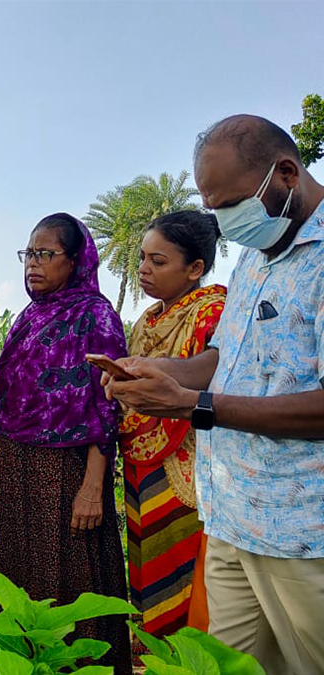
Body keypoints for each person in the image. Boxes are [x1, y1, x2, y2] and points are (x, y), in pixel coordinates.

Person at [106, 114, 324, 673]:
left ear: (286, 173)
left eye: (231, 206)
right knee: (222, 665)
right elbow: (223, 359)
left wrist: (193, 406)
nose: (225, 224)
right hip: (231, 517)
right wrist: (159, 370)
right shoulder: (257, 255)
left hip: (303, 532)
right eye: (214, 210)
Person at [0, 213, 130, 673]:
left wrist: (94, 487)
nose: (33, 264)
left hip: (69, 470)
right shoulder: (28, 317)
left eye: (46, 254)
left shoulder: (97, 316)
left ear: (75, 261)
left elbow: (108, 408)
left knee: (71, 578)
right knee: (20, 575)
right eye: (29, 254)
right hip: (18, 463)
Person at [120, 211, 225, 637]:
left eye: (158, 262)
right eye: (143, 259)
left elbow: (215, 375)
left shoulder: (213, 310)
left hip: (188, 465)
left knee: (185, 574)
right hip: (140, 464)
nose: (144, 269)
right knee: (147, 569)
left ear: (195, 268)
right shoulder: (146, 321)